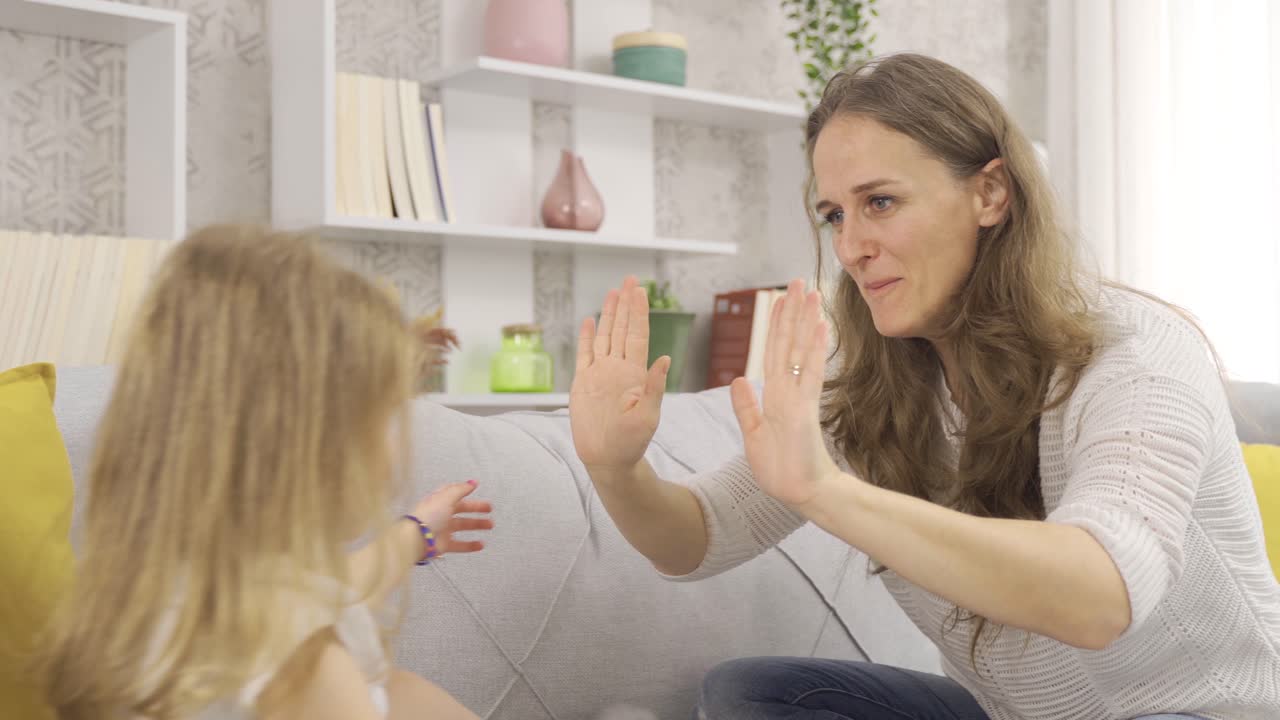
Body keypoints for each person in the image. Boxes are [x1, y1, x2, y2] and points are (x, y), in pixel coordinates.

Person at [568, 54, 1279, 720]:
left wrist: (827, 491)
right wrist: (617, 468)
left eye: (880, 202)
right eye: (835, 215)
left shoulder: (1134, 350)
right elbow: (696, 540)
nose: (850, 248)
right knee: (754, 694)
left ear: (990, 193)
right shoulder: (876, 384)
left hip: (1204, 711)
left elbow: (1102, 597)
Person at [39, 225, 492, 720]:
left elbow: (324, 592)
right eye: (387, 414)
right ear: (313, 446)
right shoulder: (306, 671)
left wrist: (417, 534)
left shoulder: (155, 610)